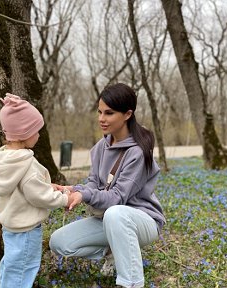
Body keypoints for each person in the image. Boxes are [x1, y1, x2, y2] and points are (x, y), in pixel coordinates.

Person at [49, 83, 166, 288]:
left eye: (109, 113)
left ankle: (131, 283)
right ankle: (117, 251)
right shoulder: (100, 147)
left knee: (116, 213)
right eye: (100, 112)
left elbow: (117, 198)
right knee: (59, 242)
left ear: (127, 114)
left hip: (143, 220)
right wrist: (72, 190)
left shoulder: (137, 152)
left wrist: (84, 195)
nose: (101, 119)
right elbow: (93, 184)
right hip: (110, 219)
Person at [0, 93, 72, 288]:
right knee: (22, 271)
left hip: (10, 228)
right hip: (27, 231)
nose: (39, 135)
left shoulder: (2, 160)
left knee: (11, 265)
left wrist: (49, 186)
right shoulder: (27, 164)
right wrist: (64, 198)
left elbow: (24, 188)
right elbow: (39, 196)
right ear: (24, 133)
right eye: (36, 130)